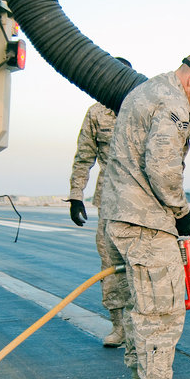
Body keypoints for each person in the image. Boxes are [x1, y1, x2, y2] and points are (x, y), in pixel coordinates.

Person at [100, 52, 190, 379]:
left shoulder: (145, 91)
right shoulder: (173, 104)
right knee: (162, 309)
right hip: (147, 221)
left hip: (121, 216)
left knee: (137, 304)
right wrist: (181, 211)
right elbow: (161, 166)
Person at [65, 57, 132, 349]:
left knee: (142, 267)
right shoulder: (96, 113)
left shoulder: (143, 109)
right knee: (110, 265)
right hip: (108, 201)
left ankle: (141, 328)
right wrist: (76, 196)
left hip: (142, 200)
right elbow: (84, 157)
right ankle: (119, 327)